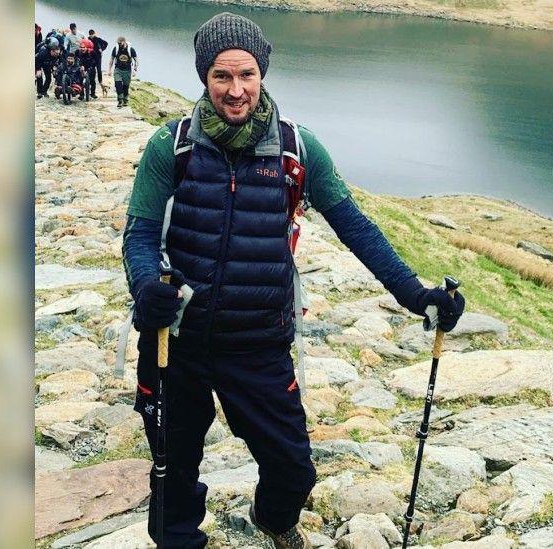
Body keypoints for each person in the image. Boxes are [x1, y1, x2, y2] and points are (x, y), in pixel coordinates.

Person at [122, 12, 465, 548]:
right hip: (176, 342)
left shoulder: (296, 150)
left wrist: (415, 294)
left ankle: (274, 518)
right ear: (203, 77)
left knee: (294, 470)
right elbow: (139, 236)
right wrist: (146, 288)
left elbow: (356, 227)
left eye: (247, 75)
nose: (236, 91)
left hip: (259, 345)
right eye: (221, 77)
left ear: (263, 74)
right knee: (172, 471)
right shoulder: (173, 147)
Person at [108, 36, 137, 107]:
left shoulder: (130, 49)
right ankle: (120, 100)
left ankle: (125, 100)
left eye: (120, 43)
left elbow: (136, 60)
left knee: (125, 87)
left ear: (124, 42)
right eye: (118, 43)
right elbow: (112, 59)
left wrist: (135, 70)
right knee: (118, 85)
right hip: (118, 69)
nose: (119, 44)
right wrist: (109, 69)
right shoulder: (116, 49)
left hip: (127, 70)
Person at [87, 29, 108, 96]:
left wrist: (102, 49)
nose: (91, 36)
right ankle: (90, 81)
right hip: (91, 56)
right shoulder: (88, 39)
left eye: (92, 35)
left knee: (99, 69)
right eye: (90, 35)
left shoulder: (98, 39)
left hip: (98, 56)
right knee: (91, 69)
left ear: (94, 34)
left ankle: (100, 81)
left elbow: (106, 43)